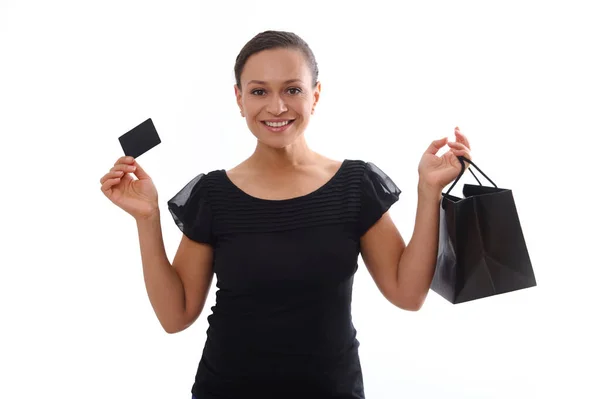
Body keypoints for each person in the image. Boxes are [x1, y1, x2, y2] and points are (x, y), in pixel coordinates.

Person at [99, 30, 472, 399]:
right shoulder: (212, 195)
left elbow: (408, 295)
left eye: (292, 89)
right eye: (259, 91)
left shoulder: (355, 185)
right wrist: (146, 219)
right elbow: (175, 316)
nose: (277, 107)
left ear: (316, 96)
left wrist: (428, 191)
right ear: (239, 99)